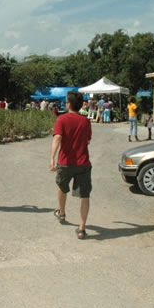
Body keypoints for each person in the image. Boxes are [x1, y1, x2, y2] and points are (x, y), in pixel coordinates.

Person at [49, 91, 92, 239]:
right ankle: (81, 228)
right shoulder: (85, 121)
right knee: (84, 196)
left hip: (65, 162)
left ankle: (61, 213)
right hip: (82, 163)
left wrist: (51, 158)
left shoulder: (62, 119)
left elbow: (57, 138)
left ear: (68, 104)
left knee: (62, 187)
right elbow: (87, 141)